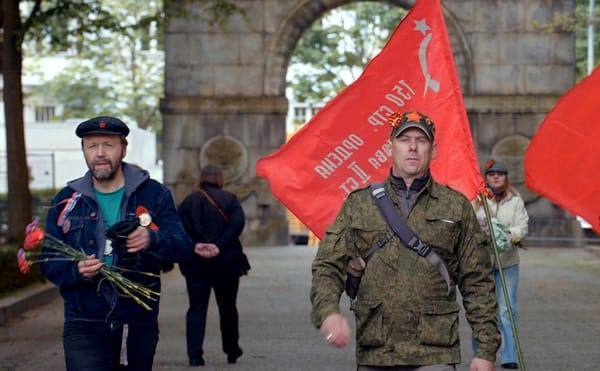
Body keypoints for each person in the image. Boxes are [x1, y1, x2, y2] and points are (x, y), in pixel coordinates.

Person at [310, 111, 501, 371]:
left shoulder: (456, 206)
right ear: (390, 147)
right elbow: (327, 266)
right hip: (377, 351)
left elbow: (478, 282)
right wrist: (328, 312)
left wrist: (486, 350)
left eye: (421, 141)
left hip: (434, 353)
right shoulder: (359, 204)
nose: (412, 147)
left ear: (433, 150)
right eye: (404, 139)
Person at [40, 116, 193, 371]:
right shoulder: (66, 200)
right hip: (83, 319)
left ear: (123, 148)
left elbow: (183, 247)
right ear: (84, 151)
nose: (100, 153)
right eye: (92, 146)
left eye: (108, 145)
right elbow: (48, 261)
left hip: (136, 320)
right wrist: (75, 270)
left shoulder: (154, 194)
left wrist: (151, 238)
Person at [177, 164, 246, 366]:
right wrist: (218, 245)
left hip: (196, 263)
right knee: (228, 307)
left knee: (196, 308)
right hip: (226, 263)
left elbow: (178, 228)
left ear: (201, 179)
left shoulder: (189, 201)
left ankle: (195, 356)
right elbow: (237, 225)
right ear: (220, 179)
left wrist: (196, 245)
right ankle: (232, 350)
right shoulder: (230, 199)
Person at [473, 159, 529, 370]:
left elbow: (522, 226)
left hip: (507, 262)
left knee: (507, 309)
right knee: (482, 309)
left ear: (506, 178)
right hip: (483, 264)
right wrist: (484, 233)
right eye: (491, 174)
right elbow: (471, 226)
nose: (495, 177)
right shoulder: (477, 200)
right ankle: (482, 353)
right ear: (485, 177)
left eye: (500, 173)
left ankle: (509, 355)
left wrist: (506, 235)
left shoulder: (515, 201)